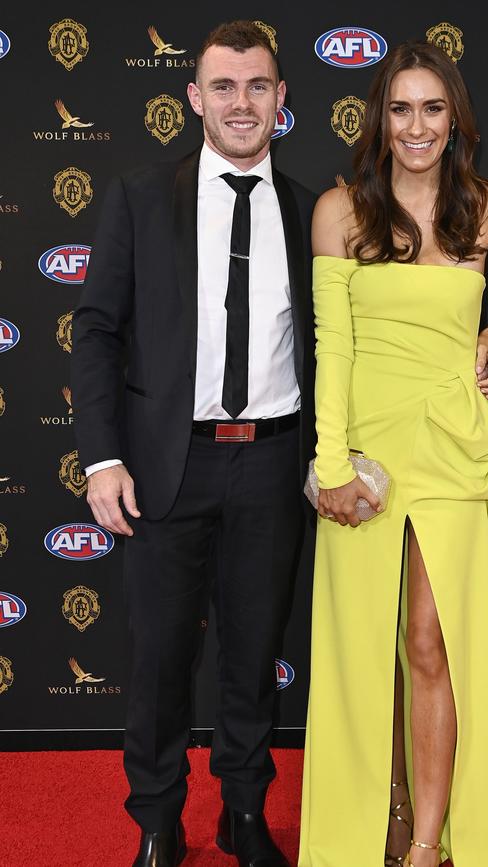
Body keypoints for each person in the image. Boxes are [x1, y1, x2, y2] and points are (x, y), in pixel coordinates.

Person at [298, 41, 488, 867]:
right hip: (369, 453)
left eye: (433, 108)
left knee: (427, 640)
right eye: (401, 108)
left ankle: (425, 843)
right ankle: (387, 808)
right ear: (381, 117)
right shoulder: (341, 212)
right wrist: (331, 463)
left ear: (455, 120)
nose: (416, 126)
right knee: (364, 644)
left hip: (456, 447)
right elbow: (331, 349)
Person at [72, 20, 316, 867]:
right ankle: (158, 820)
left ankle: (244, 813)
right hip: (163, 467)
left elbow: (345, 341)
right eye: (223, 86)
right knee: (159, 660)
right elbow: (97, 329)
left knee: (254, 657)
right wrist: (102, 457)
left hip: (273, 466)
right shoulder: (141, 197)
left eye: (257, 86)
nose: (241, 103)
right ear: (194, 99)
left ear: (282, 99)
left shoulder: (311, 209)